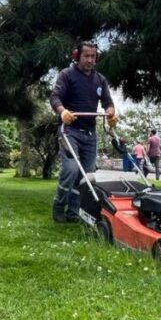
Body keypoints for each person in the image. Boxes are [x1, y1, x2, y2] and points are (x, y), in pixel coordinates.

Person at [49, 41, 117, 223]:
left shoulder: (100, 79)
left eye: (93, 56)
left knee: (86, 177)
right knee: (70, 170)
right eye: (86, 56)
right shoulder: (67, 75)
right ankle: (58, 205)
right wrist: (63, 111)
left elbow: (108, 102)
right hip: (69, 130)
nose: (89, 60)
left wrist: (111, 112)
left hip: (89, 134)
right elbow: (55, 97)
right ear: (76, 56)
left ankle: (73, 212)